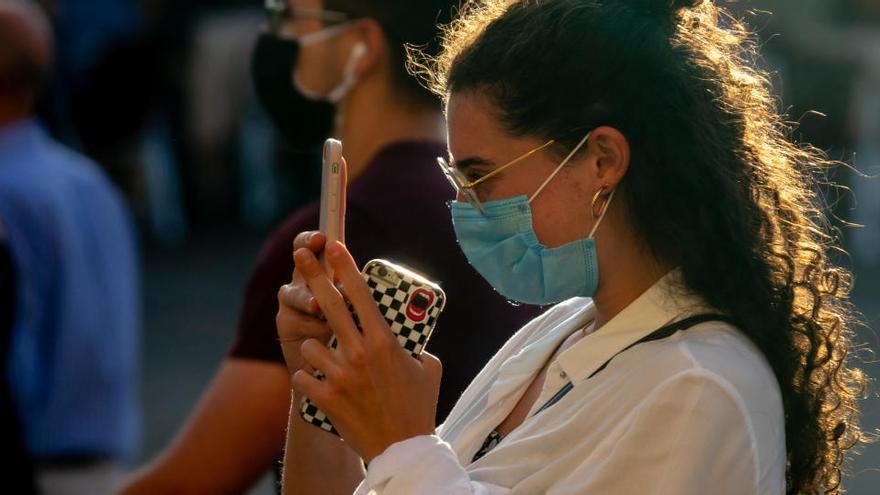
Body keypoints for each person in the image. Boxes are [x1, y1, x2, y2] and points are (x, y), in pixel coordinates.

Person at [276, 0, 869, 494]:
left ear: (602, 160)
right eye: (457, 178)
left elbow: (412, 471)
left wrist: (401, 444)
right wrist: (322, 381)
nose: (465, 206)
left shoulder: (701, 388)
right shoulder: (559, 331)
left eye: (480, 176)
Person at [119, 0, 542, 493]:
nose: (274, 38)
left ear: (360, 47)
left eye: (290, 18)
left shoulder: (335, 239)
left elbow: (194, 481)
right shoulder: (496, 207)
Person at [0, 1, 141, 493]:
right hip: (104, 464)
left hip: (30, 467)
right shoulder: (87, 182)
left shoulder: (8, 192)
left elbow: (14, 361)